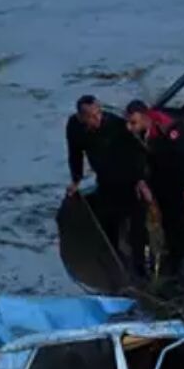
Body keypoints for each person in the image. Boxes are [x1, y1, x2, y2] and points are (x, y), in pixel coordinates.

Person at [66, 95, 150, 277]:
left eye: (99, 113)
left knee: (138, 225)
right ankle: (114, 261)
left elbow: (139, 152)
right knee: (107, 221)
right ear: (81, 117)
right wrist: (76, 179)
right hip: (105, 180)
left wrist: (141, 179)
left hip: (129, 179)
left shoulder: (117, 125)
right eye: (91, 116)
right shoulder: (74, 126)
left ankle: (142, 267)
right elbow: (75, 153)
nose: (97, 119)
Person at [125, 100, 184, 275]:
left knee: (178, 215)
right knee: (166, 216)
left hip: (177, 173)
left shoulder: (169, 128)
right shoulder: (138, 133)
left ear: (145, 118)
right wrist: (143, 181)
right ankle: (174, 251)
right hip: (159, 174)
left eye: (133, 123)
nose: (129, 127)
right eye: (128, 122)